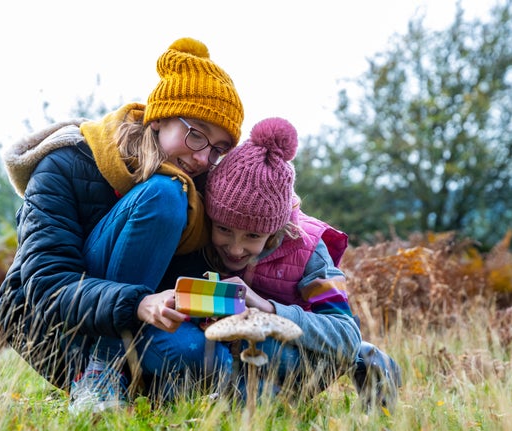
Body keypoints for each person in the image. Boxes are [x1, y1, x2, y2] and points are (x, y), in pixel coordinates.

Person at [0, 37, 244, 414]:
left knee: (207, 358)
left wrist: (209, 303)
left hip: (140, 319)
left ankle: (134, 385)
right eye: (196, 134)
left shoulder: (204, 187)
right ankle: (101, 372)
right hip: (55, 325)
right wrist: (138, 302)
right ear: (160, 117)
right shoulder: (67, 163)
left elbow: (186, 281)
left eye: (218, 149)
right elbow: (46, 284)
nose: (202, 156)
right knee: (163, 194)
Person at [165, 117, 402, 409]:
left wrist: (267, 309)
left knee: (265, 355)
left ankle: (367, 362)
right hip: (228, 352)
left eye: (253, 235)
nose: (236, 248)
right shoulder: (198, 235)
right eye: (224, 229)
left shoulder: (310, 249)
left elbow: (346, 333)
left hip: (292, 353)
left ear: (275, 230)